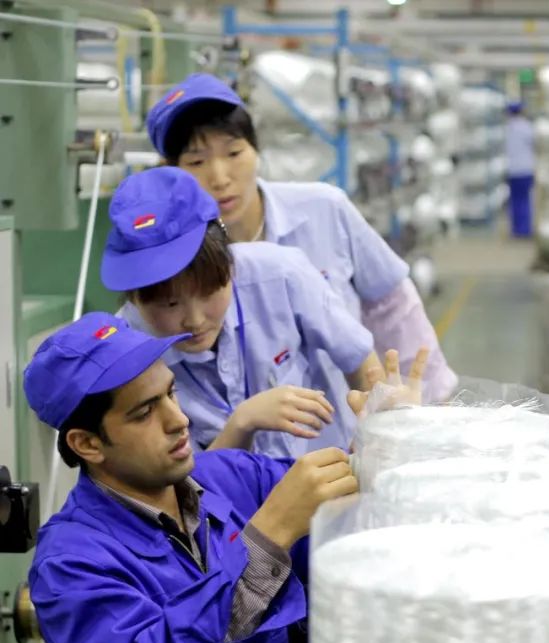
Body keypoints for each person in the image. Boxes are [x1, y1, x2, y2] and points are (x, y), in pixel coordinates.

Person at [25, 312, 361, 643]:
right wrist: (267, 539)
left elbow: (348, 522)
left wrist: (378, 447)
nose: (178, 420)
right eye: (144, 412)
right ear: (87, 444)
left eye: (170, 394)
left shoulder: (231, 476)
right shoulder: (70, 567)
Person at [145, 73, 456, 403]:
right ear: (171, 171)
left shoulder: (324, 209)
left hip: (353, 419)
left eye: (234, 153)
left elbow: (391, 304)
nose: (220, 178)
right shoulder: (178, 258)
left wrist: (429, 402)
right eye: (196, 162)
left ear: (256, 149)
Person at [104, 167, 425, 458]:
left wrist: (380, 421)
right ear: (134, 299)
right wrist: (243, 422)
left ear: (230, 264)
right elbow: (181, 487)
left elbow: (357, 358)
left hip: (331, 481)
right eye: (170, 305)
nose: (195, 320)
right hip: (225, 505)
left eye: (209, 293)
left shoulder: (281, 275)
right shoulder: (126, 357)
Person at [504, 101, 536, 238]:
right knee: (524, 200)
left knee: (515, 201)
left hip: (512, 170)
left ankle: (516, 229)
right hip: (526, 169)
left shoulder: (507, 128)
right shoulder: (527, 127)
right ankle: (524, 229)